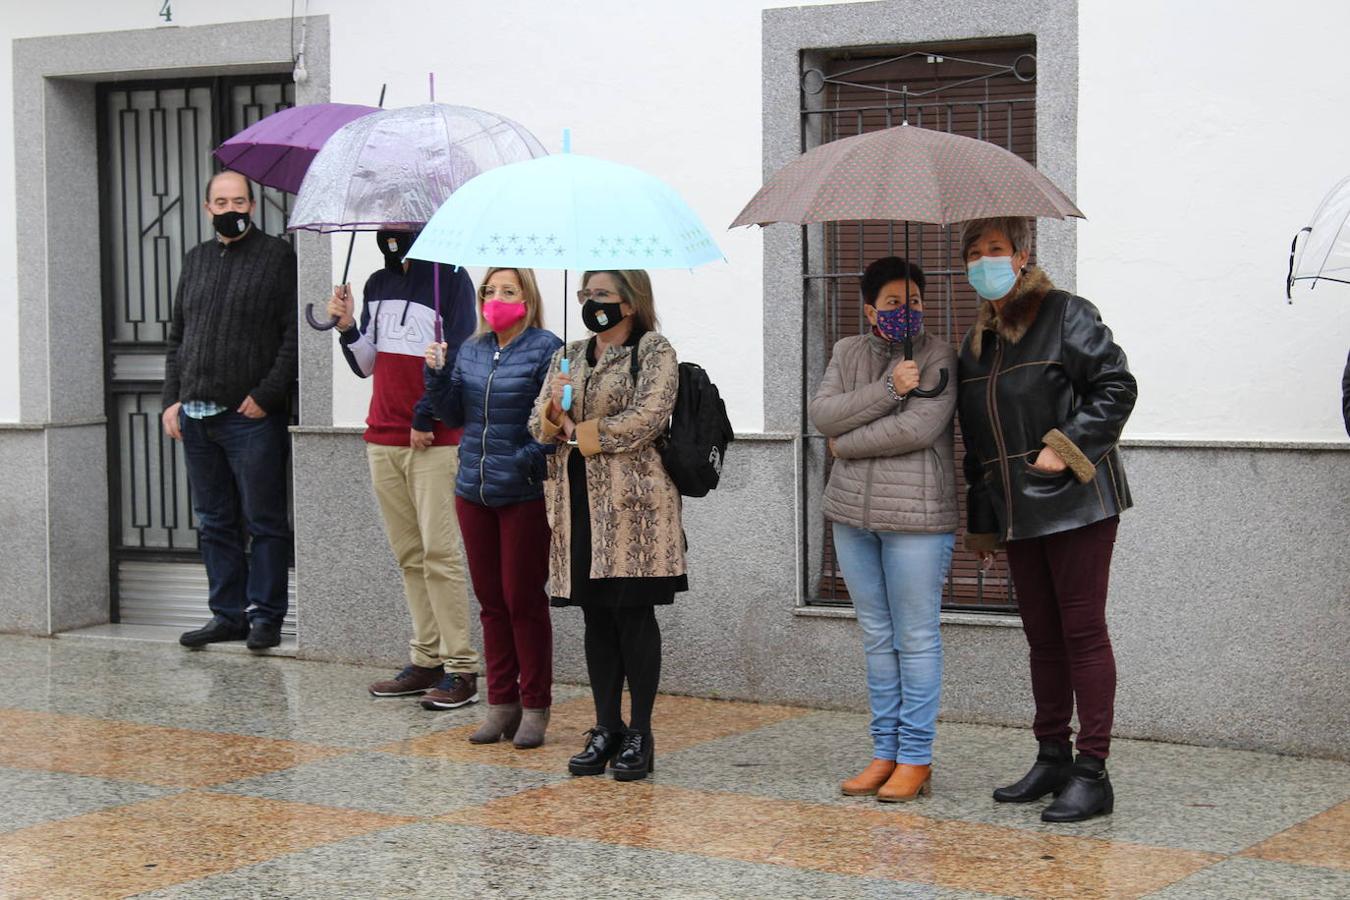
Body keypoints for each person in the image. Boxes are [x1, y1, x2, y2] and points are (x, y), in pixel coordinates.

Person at [956, 217, 1137, 824]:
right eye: (974, 253)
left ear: (1022, 256)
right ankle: (1052, 756)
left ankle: (1092, 772)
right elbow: (978, 445)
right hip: (1020, 514)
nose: (985, 261)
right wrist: (984, 523)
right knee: (1042, 638)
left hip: (1077, 502)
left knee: (1082, 632)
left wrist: (1067, 445)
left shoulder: (1065, 314)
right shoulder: (976, 344)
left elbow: (1116, 386)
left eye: (996, 249)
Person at [808, 257, 958, 803]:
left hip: (918, 519)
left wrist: (845, 446)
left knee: (915, 637)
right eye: (893, 302)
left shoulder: (938, 354)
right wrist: (890, 389)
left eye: (914, 300)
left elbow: (919, 429)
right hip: (852, 515)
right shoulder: (847, 351)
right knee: (876, 635)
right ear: (870, 309)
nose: (906, 310)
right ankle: (884, 752)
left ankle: (915, 757)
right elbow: (823, 414)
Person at [528, 270, 685, 781]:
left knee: (633, 617)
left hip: (634, 510)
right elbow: (536, 427)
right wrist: (554, 407)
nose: (590, 303)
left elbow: (647, 419)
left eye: (601, 295)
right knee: (595, 617)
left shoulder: (653, 350)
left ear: (630, 302)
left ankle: (640, 732)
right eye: (586, 294)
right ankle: (605, 728)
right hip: (576, 505)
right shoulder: (569, 354)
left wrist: (578, 432)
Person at [326, 233, 481, 709]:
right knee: (410, 556)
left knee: (440, 554)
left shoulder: (450, 280)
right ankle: (426, 658)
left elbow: (458, 360)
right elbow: (366, 365)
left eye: (402, 224)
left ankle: (461, 668)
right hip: (382, 437)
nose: (392, 233)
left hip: (433, 440)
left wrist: (424, 417)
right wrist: (347, 327)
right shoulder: (376, 283)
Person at [423, 268, 562, 748]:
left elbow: (551, 423)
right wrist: (436, 375)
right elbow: (453, 415)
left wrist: (525, 461)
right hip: (473, 492)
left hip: (522, 493)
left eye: (508, 291)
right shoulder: (472, 348)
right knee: (490, 603)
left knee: (523, 600)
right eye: (489, 291)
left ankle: (535, 704)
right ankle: (502, 702)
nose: (495, 299)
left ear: (527, 298)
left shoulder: (546, 348)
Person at [164, 171, 297, 652]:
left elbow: (292, 336)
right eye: (221, 202)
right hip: (197, 417)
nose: (230, 209)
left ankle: (266, 617)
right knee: (214, 521)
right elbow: (179, 336)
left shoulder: (278, 257)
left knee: (264, 522)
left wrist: (267, 394)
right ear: (207, 209)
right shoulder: (196, 259)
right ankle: (227, 614)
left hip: (251, 419)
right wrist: (172, 399)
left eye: (239, 201)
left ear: (253, 206)